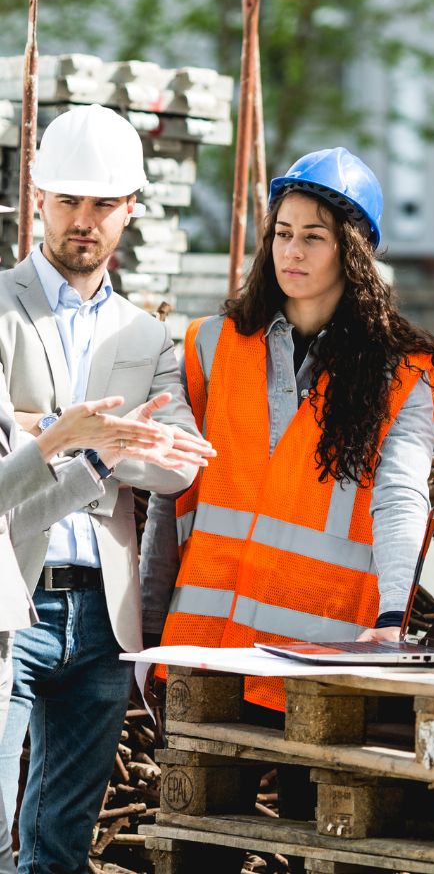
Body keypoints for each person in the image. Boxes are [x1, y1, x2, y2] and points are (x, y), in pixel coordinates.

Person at [141, 147, 434, 718]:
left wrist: (391, 617)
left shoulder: (401, 372)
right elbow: (171, 497)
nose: (291, 251)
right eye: (282, 233)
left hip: (322, 656)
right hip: (206, 649)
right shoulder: (212, 345)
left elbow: (401, 498)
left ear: (352, 250)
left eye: (313, 237)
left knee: (312, 808)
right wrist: (151, 629)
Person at [0, 105, 212, 873]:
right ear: (40, 199)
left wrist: (45, 431)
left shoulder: (148, 335)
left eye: (101, 205)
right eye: (69, 202)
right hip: (10, 599)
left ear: (130, 211)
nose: (82, 221)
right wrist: (90, 434)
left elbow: (180, 464)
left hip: (101, 616)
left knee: (60, 842)